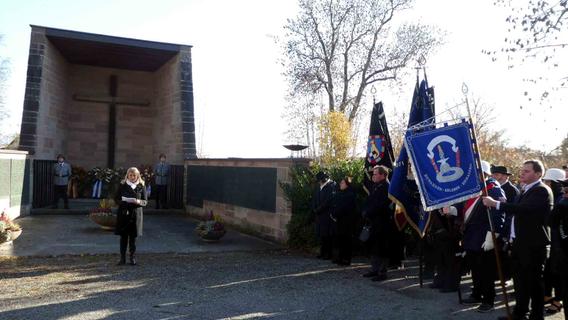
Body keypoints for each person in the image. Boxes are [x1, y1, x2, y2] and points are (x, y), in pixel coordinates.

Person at [483, 159, 554, 320]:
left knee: (534, 283)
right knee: (520, 282)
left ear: (538, 174)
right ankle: (519, 313)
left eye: (527, 171)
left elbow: (524, 210)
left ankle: (536, 316)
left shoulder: (541, 190)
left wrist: (497, 204)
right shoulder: (525, 189)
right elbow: (515, 216)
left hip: (533, 246)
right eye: (522, 170)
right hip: (519, 244)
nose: (522, 173)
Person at [459, 160, 506, 313]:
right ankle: (476, 293)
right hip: (471, 234)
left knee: (486, 271)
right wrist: (453, 211)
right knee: (475, 268)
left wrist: (492, 235)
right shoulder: (473, 188)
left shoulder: (493, 188)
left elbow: (500, 213)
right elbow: (465, 209)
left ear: (483, 173)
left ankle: (488, 300)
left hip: (485, 234)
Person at [361, 165, 393, 282]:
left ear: (383, 175)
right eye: (373, 174)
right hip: (374, 222)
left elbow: (383, 205)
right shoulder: (375, 186)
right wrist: (364, 211)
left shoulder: (387, 187)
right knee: (374, 246)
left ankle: (382, 272)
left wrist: (369, 212)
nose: (373, 176)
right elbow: (369, 201)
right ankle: (374, 269)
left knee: (382, 247)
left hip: (383, 223)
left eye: (375, 174)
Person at [542, 168, 566, 314]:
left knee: (558, 274)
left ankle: (558, 301)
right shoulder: (552, 197)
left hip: (561, 244)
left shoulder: (562, 199)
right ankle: (548, 295)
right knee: (549, 272)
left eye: (548, 181)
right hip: (551, 241)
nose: (546, 183)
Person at [115, 167, 147, 266]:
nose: (132, 177)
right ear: (127, 175)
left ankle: (132, 258)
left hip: (135, 214)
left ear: (137, 176)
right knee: (123, 238)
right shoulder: (123, 185)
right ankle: (122, 259)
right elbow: (116, 198)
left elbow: (145, 201)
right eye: (130, 175)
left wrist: (138, 201)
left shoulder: (141, 186)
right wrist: (124, 201)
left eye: (134, 175)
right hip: (124, 213)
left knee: (133, 238)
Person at [548, 178, 568, 319]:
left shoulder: (563, 204)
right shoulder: (563, 204)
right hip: (561, 251)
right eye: (564, 189)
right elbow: (552, 223)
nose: (564, 193)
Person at [330, 176, 357, 266]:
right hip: (339, 221)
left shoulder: (350, 195)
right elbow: (335, 205)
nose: (340, 184)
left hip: (347, 222)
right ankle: (340, 258)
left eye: (342, 183)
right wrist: (333, 213)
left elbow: (344, 208)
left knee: (347, 240)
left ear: (347, 184)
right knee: (340, 240)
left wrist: (335, 213)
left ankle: (346, 259)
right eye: (340, 183)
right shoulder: (339, 193)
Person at [312, 171, 336, 260]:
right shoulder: (319, 186)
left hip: (326, 214)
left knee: (327, 235)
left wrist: (319, 209)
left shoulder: (331, 186)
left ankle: (328, 254)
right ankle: (322, 252)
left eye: (319, 180)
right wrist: (314, 208)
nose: (318, 182)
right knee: (321, 235)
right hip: (319, 215)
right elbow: (314, 198)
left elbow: (328, 201)